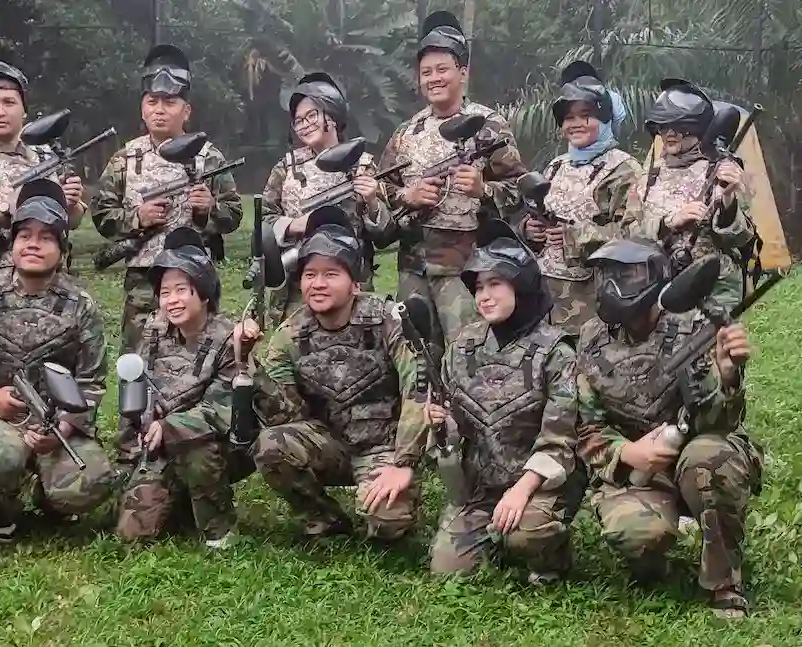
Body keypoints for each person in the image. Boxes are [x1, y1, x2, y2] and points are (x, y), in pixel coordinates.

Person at [576, 239, 761, 619]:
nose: (611, 287)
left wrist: (728, 375)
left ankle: (724, 583)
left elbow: (720, 423)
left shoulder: (695, 326)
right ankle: (656, 556)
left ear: (654, 277)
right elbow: (588, 428)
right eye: (605, 277)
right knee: (636, 535)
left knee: (709, 459)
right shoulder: (591, 339)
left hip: (697, 449)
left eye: (625, 276)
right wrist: (629, 452)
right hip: (640, 469)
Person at [234, 211, 424, 541]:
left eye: (331, 274)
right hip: (329, 445)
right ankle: (324, 518)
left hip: (384, 446)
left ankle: (386, 498)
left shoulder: (388, 320)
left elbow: (417, 390)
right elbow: (284, 416)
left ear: (355, 283)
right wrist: (247, 361)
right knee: (271, 444)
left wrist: (404, 463)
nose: (318, 284)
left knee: (389, 522)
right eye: (310, 275)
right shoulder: (290, 335)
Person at [0, 179, 117, 543]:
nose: (33, 244)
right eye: (24, 236)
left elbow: (92, 382)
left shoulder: (80, 305)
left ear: (62, 248)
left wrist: (64, 427)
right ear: (12, 244)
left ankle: (52, 501)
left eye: (46, 237)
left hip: (56, 420)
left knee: (90, 479)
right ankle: (0, 508)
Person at [422, 235, 579, 583]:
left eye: (495, 284)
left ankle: (550, 557)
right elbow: (455, 430)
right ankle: (496, 535)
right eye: (479, 287)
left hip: (539, 484)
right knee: (449, 571)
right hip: (482, 486)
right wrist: (441, 424)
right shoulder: (462, 347)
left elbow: (560, 440)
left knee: (526, 532)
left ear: (521, 286)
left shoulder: (556, 352)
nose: (484, 296)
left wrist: (521, 491)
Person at [377, 11, 526, 365]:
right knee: (417, 356)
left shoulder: (489, 126)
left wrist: (483, 189)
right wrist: (408, 196)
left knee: (468, 356)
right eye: (426, 72)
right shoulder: (407, 133)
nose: (434, 79)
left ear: (463, 72)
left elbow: (519, 189)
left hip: (467, 271)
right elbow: (381, 192)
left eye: (442, 69)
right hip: (413, 268)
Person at [92, 44, 243, 352]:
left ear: (186, 111)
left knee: (198, 354)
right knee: (137, 359)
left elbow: (234, 214)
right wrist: (137, 218)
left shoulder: (208, 157)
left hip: (196, 280)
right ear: (142, 109)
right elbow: (102, 215)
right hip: (143, 282)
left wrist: (209, 210)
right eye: (152, 101)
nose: (159, 110)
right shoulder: (126, 158)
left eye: (170, 102)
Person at [114, 228, 242, 548]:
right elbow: (138, 388)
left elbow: (220, 411)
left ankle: (219, 529)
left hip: (215, 444)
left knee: (198, 451)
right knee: (131, 533)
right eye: (165, 292)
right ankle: (180, 498)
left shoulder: (228, 338)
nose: (172, 300)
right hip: (161, 446)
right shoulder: (154, 331)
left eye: (181, 290)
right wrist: (131, 449)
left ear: (204, 292)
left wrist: (169, 427)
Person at [518, 61, 642, 332]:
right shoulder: (557, 166)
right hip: (544, 300)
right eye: (568, 118)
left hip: (591, 305)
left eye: (585, 115)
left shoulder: (623, 170)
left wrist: (574, 236)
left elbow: (635, 238)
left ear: (606, 118)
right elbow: (539, 218)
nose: (575, 124)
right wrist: (531, 230)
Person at [261, 71, 391, 326]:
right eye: (298, 120)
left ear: (331, 115)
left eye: (312, 115)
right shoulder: (287, 167)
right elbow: (263, 222)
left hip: (350, 285)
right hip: (299, 286)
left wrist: (372, 201)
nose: (305, 125)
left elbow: (386, 235)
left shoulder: (363, 165)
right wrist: (295, 225)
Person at [0, 59, 87, 282]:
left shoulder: (47, 155)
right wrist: (7, 209)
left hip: (48, 281)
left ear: (24, 110)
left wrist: (72, 203)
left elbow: (73, 221)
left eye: (9, 102)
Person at [625, 79, 757, 310]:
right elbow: (627, 232)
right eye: (663, 126)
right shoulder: (650, 175)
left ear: (698, 127)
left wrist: (728, 201)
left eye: (680, 127)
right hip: (659, 292)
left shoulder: (724, 170)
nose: (670, 134)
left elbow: (743, 239)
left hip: (713, 295)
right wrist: (669, 222)